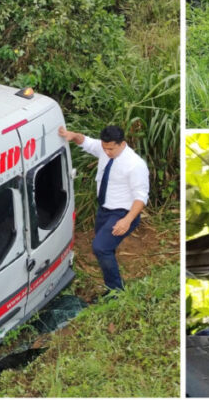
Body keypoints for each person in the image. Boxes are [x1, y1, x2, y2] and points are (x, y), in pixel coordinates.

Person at [58, 125, 149, 295]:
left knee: (101, 247)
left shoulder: (135, 165)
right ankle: (111, 284)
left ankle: (116, 292)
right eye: (105, 148)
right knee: (106, 247)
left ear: (122, 144)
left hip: (122, 213)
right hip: (104, 210)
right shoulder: (104, 149)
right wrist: (73, 135)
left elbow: (141, 197)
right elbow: (85, 141)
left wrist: (126, 220)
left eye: (111, 149)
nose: (107, 152)